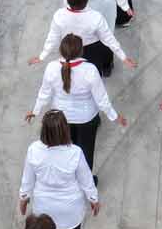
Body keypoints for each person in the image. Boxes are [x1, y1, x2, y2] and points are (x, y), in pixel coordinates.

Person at [19, 111, 100, 229]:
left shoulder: (34, 150)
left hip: (45, 210)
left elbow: (27, 179)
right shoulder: (75, 152)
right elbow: (86, 180)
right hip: (70, 211)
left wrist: (24, 197)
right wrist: (93, 199)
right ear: (65, 129)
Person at [30, 34, 124, 171]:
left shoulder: (51, 67)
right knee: (86, 152)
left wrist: (35, 111)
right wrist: (115, 116)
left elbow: (44, 93)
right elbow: (102, 99)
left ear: (61, 50)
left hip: (61, 119)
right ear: (81, 51)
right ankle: (86, 180)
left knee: (65, 151)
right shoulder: (90, 70)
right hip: (86, 118)